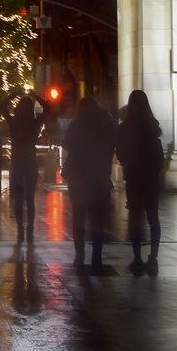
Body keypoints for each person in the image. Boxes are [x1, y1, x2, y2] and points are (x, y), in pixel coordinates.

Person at [63, 93, 117, 273]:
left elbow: (67, 145)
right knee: (97, 220)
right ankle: (97, 256)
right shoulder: (105, 125)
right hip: (99, 177)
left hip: (78, 177)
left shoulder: (76, 125)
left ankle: (79, 256)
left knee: (78, 217)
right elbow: (114, 139)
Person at [115, 90, 164, 275]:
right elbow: (159, 156)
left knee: (135, 218)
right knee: (153, 217)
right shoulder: (152, 126)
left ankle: (137, 257)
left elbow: (120, 153)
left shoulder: (125, 127)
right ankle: (153, 257)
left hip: (134, 177)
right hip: (151, 178)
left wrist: (129, 163)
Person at [7, 91, 44, 244]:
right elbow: (48, 108)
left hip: (16, 163)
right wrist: (36, 96)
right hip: (30, 162)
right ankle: (30, 228)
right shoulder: (35, 124)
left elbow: (1, 106)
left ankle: (20, 229)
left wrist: (12, 94)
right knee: (30, 199)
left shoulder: (13, 122)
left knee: (18, 198)